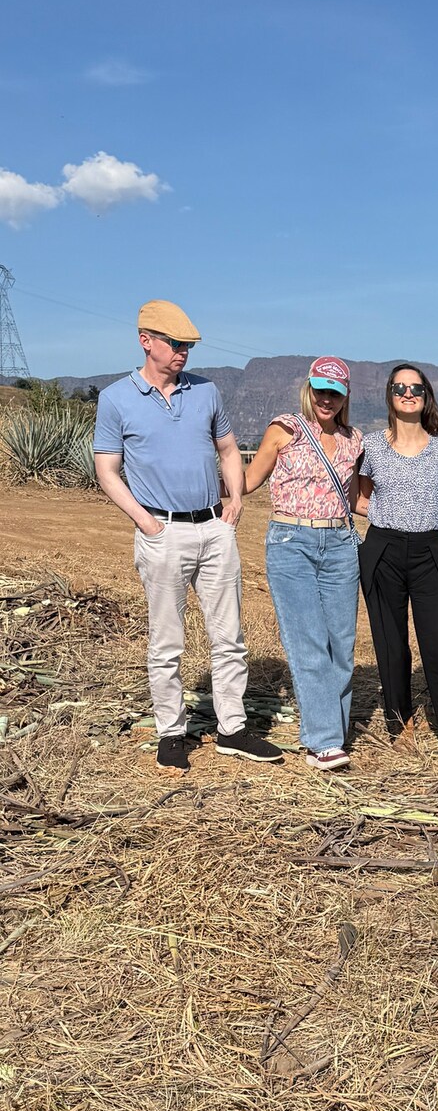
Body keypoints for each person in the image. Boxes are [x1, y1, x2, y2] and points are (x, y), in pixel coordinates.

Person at [93, 299, 282, 772]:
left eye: (188, 346)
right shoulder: (116, 398)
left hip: (215, 527)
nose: (183, 353)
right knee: (166, 640)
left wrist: (235, 500)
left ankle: (232, 729)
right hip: (162, 531)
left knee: (230, 636)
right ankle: (171, 732)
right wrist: (145, 520)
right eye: (175, 343)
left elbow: (227, 448)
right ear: (146, 341)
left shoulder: (206, 391)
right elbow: (107, 470)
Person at [356, 363, 438, 751]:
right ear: (390, 396)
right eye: (400, 387)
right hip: (383, 548)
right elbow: (362, 498)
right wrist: (387, 516)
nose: (408, 393)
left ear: (426, 395)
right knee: (390, 639)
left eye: (415, 388)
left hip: (430, 548)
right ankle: (401, 723)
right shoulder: (372, 445)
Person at [243, 357, 364, 771]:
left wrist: (412, 507)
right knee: (309, 639)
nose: (326, 399)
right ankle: (323, 741)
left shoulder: (354, 440)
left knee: (342, 645)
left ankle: (333, 730)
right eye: (320, 390)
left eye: (335, 392)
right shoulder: (285, 429)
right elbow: (247, 479)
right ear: (308, 389)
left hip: (341, 543)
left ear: (345, 396)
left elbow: (354, 501)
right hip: (291, 540)